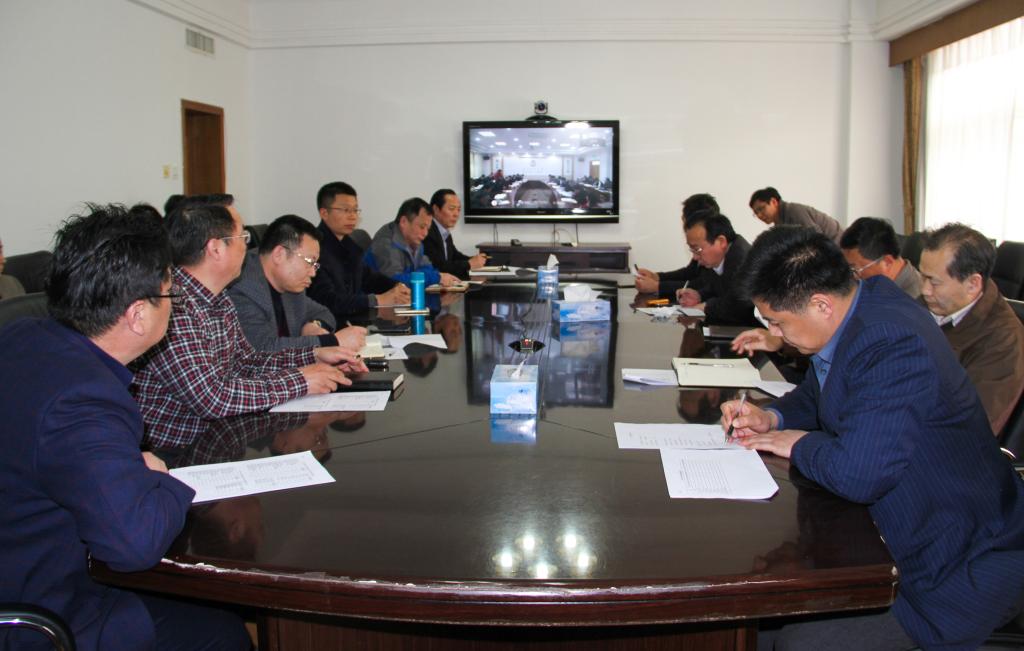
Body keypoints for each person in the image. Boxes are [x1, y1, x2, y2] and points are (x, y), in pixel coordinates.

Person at [722, 226, 1024, 650]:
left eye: (776, 321)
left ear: (821, 305)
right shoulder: (861, 304)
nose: (775, 332)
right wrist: (771, 417)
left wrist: (798, 443)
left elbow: (860, 474)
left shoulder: (889, 340)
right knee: (760, 616)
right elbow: (821, 391)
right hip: (891, 534)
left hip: (951, 568)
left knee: (794, 641)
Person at [0, 204, 250, 651]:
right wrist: (160, 478)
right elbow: (135, 546)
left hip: (22, 559)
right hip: (42, 612)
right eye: (170, 296)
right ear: (138, 315)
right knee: (221, 631)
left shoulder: (20, 336)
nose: (175, 308)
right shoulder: (84, 399)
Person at [133, 195, 366, 448]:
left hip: (221, 439)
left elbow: (248, 361)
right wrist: (301, 380)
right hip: (178, 452)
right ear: (216, 249)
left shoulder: (219, 299)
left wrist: (315, 356)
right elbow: (212, 399)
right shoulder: (174, 305)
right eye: (242, 238)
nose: (249, 248)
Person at [919, 223, 1024, 434]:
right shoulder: (925, 305)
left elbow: (968, 428)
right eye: (922, 276)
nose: (924, 290)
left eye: (934, 282)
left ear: (973, 284)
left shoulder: (1003, 341)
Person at [227, 214, 367, 352]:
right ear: (279, 254)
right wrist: (332, 341)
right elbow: (263, 348)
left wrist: (313, 325)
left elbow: (324, 313)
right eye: (310, 261)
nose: (313, 273)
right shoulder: (242, 289)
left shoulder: (289, 286)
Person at [307, 181, 410, 319]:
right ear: (324, 213)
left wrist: (397, 287)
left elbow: (369, 279)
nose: (353, 216)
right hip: (326, 325)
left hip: (353, 321)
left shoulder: (352, 246)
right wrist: (377, 300)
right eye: (346, 210)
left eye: (355, 210)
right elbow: (327, 300)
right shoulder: (313, 250)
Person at [672, 212, 758, 325]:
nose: (695, 257)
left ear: (721, 242)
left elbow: (741, 306)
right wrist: (699, 295)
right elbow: (720, 289)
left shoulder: (743, 260)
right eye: (692, 250)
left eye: (697, 249)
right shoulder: (719, 256)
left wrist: (705, 307)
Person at [634, 193, 719, 295]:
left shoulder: (714, 246)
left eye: (684, 220)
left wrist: (657, 286)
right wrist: (656, 277)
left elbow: (702, 285)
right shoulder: (700, 244)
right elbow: (689, 273)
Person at [365, 197, 460, 287]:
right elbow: (393, 282)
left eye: (427, 229)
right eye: (422, 227)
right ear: (403, 221)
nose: (425, 233)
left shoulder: (414, 240)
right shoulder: (387, 243)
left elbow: (427, 268)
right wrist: (435, 277)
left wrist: (432, 276)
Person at [839, 217, 921, 299]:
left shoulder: (913, 299)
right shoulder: (880, 287)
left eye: (855, 270)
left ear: (887, 263)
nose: (851, 278)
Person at [423, 189, 487, 279]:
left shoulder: (444, 232)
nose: (456, 214)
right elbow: (438, 267)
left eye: (458, 210)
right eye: (451, 209)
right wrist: (468, 264)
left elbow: (455, 256)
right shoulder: (427, 232)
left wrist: (474, 259)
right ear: (436, 209)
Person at [749, 186, 842, 242]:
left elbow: (816, 239)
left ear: (774, 202)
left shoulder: (793, 212)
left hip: (839, 246)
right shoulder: (779, 224)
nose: (759, 215)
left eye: (761, 209)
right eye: (756, 213)